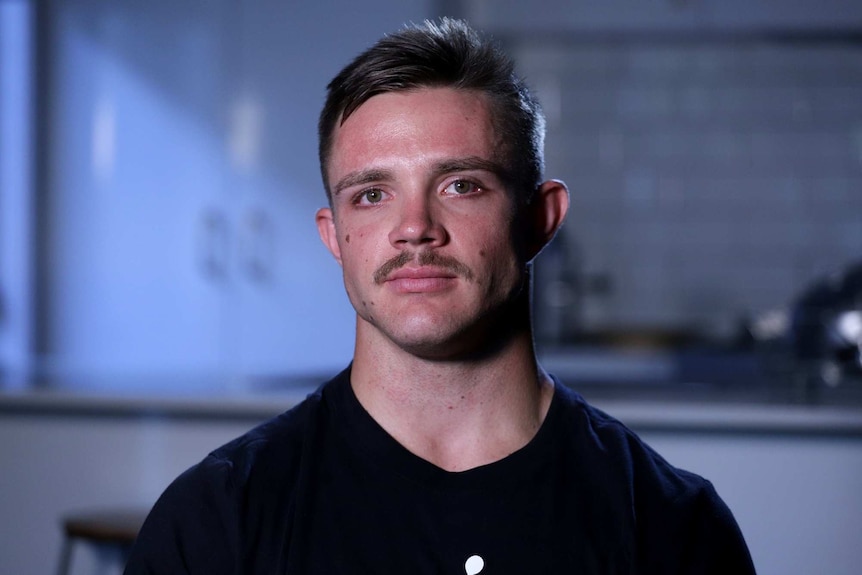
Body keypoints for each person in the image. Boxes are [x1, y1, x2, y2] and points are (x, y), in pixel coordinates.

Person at [124, 18, 755, 574]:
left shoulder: (674, 530)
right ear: (335, 237)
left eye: (462, 185)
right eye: (372, 194)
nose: (414, 226)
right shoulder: (217, 524)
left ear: (540, 218)